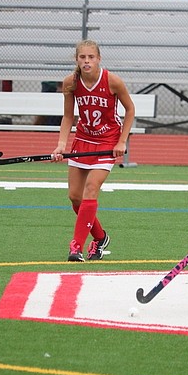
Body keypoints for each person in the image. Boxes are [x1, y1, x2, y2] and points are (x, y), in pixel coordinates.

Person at [51, 39, 136, 262]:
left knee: (91, 188)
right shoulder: (70, 82)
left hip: (108, 141)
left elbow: (130, 110)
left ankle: (76, 246)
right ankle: (99, 237)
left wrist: (122, 141)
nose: (87, 61)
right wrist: (61, 144)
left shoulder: (112, 81)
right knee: (74, 197)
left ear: (98, 59)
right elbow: (68, 116)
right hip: (83, 139)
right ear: (77, 60)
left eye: (91, 57)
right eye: (82, 57)